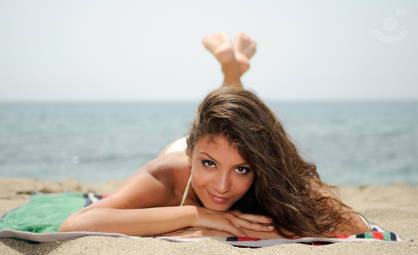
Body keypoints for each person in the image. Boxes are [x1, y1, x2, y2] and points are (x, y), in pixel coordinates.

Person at [59, 32, 371, 239]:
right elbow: (75, 224)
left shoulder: (277, 176)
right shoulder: (169, 172)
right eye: (208, 164)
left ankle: (232, 69)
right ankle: (233, 71)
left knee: (237, 124)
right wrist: (197, 216)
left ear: (261, 165)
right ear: (191, 154)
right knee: (227, 122)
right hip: (180, 156)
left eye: (242, 169)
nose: (222, 187)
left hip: (229, 146)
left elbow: (355, 226)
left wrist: (250, 229)